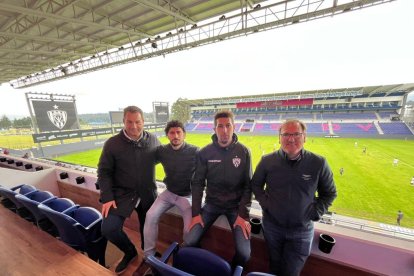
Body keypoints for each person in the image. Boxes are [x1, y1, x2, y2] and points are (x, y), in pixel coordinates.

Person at [251, 119, 337, 276]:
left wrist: (315, 212)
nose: (291, 139)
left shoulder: (318, 163)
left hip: (302, 232)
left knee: (291, 272)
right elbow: (255, 185)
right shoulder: (267, 161)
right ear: (279, 138)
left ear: (304, 137)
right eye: (286, 134)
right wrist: (267, 205)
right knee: (274, 267)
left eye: (296, 134)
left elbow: (329, 193)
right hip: (272, 228)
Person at [184, 110, 252, 270]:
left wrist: (243, 215)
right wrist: (195, 214)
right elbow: (198, 183)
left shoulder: (244, 151)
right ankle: (199, 266)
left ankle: (232, 271)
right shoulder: (204, 152)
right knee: (189, 241)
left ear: (234, 127)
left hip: (235, 208)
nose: (225, 130)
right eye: (220, 126)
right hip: (211, 205)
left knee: (244, 254)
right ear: (214, 129)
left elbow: (248, 185)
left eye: (228, 125)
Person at [97, 105, 160, 274]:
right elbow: (103, 172)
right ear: (123, 121)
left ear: (143, 121)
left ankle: (148, 253)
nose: (133, 126)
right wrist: (107, 197)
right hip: (120, 195)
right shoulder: (112, 144)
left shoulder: (153, 140)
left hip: (147, 193)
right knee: (109, 228)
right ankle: (130, 252)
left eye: (137, 122)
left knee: (147, 227)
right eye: (129, 122)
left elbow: (165, 159)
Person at [139, 120, 199, 267]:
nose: (176, 135)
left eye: (179, 132)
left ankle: (185, 258)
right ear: (167, 135)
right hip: (169, 193)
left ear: (184, 134)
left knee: (188, 231)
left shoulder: (195, 151)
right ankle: (149, 257)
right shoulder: (162, 151)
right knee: (150, 215)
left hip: (187, 196)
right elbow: (145, 160)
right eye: (172, 132)